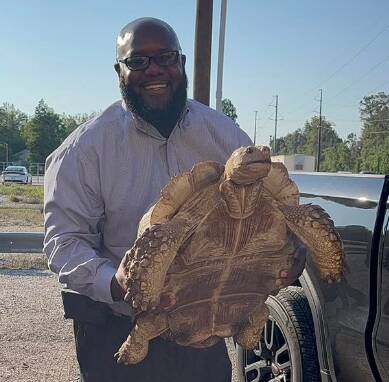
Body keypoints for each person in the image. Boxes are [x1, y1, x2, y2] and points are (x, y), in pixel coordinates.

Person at [44, 17, 305, 382]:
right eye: (137, 61)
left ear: (180, 63)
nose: (154, 69)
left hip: (209, 319)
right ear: (118, 70)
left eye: (165, 57)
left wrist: (292, 252)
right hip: (119, 325)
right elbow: (64, 242)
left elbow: (274, 206)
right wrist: (114, 282)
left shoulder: (223, 134)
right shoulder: (82, 150)